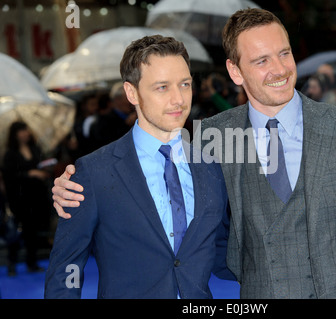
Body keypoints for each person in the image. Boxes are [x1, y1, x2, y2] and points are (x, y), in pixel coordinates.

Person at [53, 8, 336, 299]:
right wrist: (66, 188)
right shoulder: (213, 137)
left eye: (284, 53)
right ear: (235, 71)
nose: (280, 69)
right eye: (261, 60)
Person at [45, 35, 232, 299]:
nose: (178, 99)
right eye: (162, 87)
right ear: (131, 92)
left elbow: (222, 252)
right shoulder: (94, 173)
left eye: (185, 84)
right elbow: (66, 270)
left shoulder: (210, 168)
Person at [2, 121, 52, 275]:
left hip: (36, 197)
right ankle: (12, 263)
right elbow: (9, 177)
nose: (26, 133)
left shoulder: (35, 148)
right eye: (22, 131)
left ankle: (32, 262)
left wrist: (44, 171)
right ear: (15, 134)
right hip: (19, 199)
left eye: (26, 130)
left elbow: (40, 166)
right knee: (16, 232)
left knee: (32, 232)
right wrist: (29, 174)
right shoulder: (10, 154)